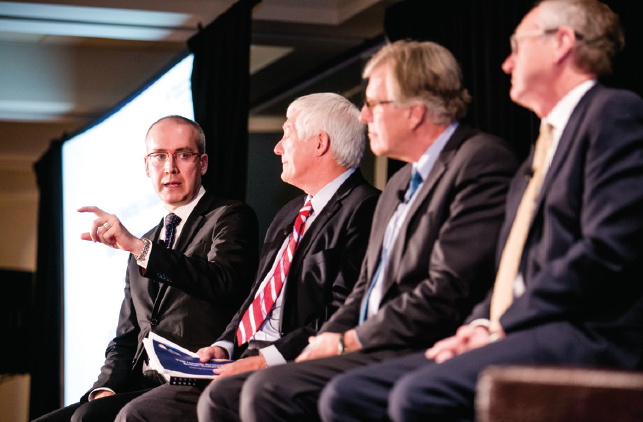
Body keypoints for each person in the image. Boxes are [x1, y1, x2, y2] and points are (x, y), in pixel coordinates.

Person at [317, 1, 643, 421]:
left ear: (562, 43)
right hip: (525, 327)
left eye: (517, 47)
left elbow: (607, 252)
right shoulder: (540, 149)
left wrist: (500, 325)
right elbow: (511, 269)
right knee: (349, 395)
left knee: (417, 397)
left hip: (587, 331)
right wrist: (476, 325)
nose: (506, 63)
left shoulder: (612, 113)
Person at [217, 40, 518, 422]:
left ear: (415, 112)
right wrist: (326, 340)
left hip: (412, 343)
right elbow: (366, 288)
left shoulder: (478, 161)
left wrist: (347, 340)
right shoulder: (400, 182)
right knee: (226, 395)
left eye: (375, 104)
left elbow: (447, 287)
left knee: (270, 389)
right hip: (365, 341)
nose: (363, 116)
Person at [112, 93, 380, 422]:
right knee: (135, 414)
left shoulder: (365, 208)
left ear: (320, 143)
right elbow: (255, 298)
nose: (278, 147)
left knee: (183, 407)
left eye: (287, 134)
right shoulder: (290, 213)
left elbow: (343, 310)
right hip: (237, 357)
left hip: (295, 361)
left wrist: (267, 358)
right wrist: (224, 345)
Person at [34, 116, 259, 422]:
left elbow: (223, 282)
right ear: (146, 166)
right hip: (139, 383)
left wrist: (140, 249)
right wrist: (105, 388)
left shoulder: (229, 216)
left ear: (203, 163)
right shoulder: (145, 243)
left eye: (183, 154)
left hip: (194, 380)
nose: (170, 168)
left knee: (87, 419)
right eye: (159, 156)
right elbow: (126, 338)